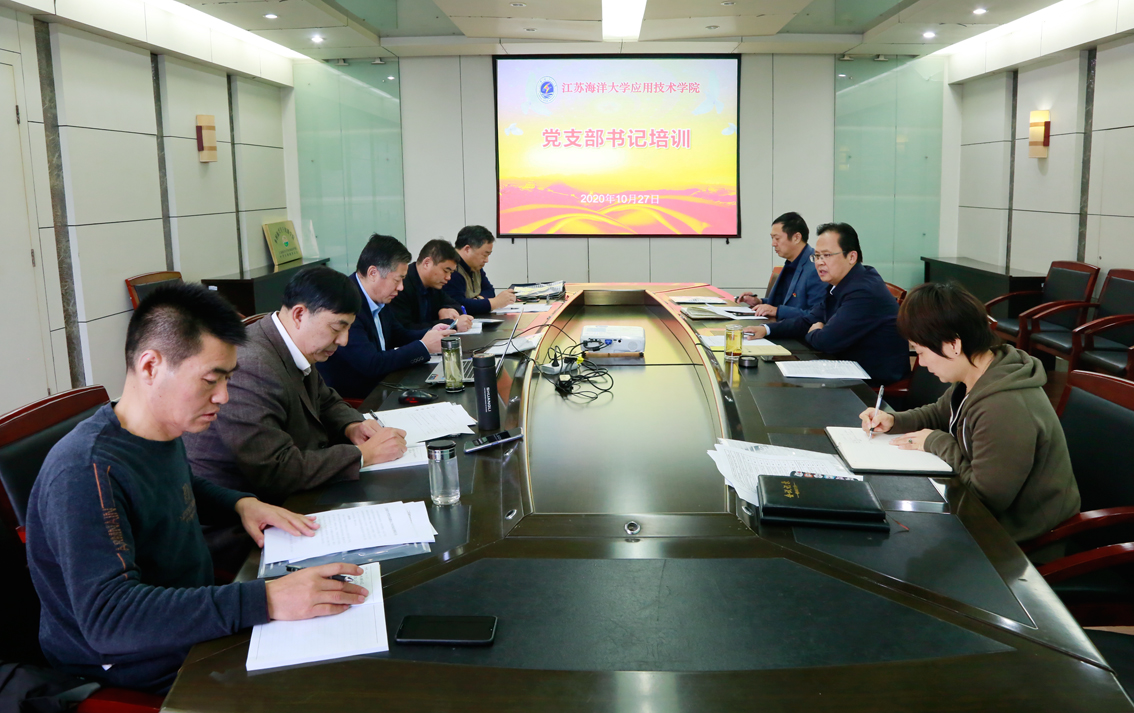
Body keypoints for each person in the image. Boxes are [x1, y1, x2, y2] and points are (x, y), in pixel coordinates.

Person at [26, 283, 370, 694]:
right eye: (211, 380)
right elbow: (110, 620)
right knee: (329, 686)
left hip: (192, 613)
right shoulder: (85, 471)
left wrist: (240, 503)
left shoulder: (159, 428)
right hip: (135, 661)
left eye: (227, 379)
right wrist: (265, 600)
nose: (223, 396)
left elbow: (177, 484)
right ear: (151, 367)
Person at [183, 266, 409, 567]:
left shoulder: (287, 342)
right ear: (300, 314)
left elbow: (324, 397)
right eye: (337, 328)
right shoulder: (251, 365)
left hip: (285, 497)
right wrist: (362, 455)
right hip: (240, 525)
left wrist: (352, 425)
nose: (343, 340)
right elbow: (276, 471)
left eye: (348, 329)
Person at [859, 282, 1080, 542]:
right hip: (981, 517)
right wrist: (893, 420)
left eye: (921, 351)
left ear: (953, 345)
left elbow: (984, 500)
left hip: (1020, 539)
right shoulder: (977, 371)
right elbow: (939, 413)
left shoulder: (1004, 407)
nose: (922, 362)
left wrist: (936, 441)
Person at [744, 222, 910, 384]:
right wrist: (766, 329)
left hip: (872, 380)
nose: (819, 262)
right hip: (846, 365)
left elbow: (826, 341)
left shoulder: (863, 291)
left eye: (827, 255)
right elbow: (810, 319)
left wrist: (815, 331)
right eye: (817, 256)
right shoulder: (841, 282)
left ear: (851, 257)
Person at [317, 234, 454, 399]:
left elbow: (398, 334)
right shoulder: (346, 302)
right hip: (356, 398)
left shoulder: (379, 298)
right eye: (397, 280)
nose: (401, 287)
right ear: (373, 273)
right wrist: (424, 346)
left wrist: (431, 333)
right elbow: (371, 363)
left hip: (382, 385)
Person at [735, 212, 826, 319]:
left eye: (777, 238)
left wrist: (776, 311)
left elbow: (816, 315)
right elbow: (784, 303)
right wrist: (758, 302)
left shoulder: (816, 267)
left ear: (796, 238)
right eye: (772, 238)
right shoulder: (791, 263)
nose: (773, 244)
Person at [389, 239, 475, 332]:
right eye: (446, 271)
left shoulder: (434, 285)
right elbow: (405, 329)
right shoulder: (401, 286)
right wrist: (451, 324)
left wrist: (445, 309)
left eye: (451, 272)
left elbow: (455, 304)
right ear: (427, 263)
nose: (448, 277)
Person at [442, 225, 517, 315]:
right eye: (484, 255)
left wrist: (478, 300)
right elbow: (459, 305)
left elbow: (489, 291)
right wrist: (495, 302)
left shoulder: (474, 266)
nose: (486, 260)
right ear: (467, 249)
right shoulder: (451, 270)